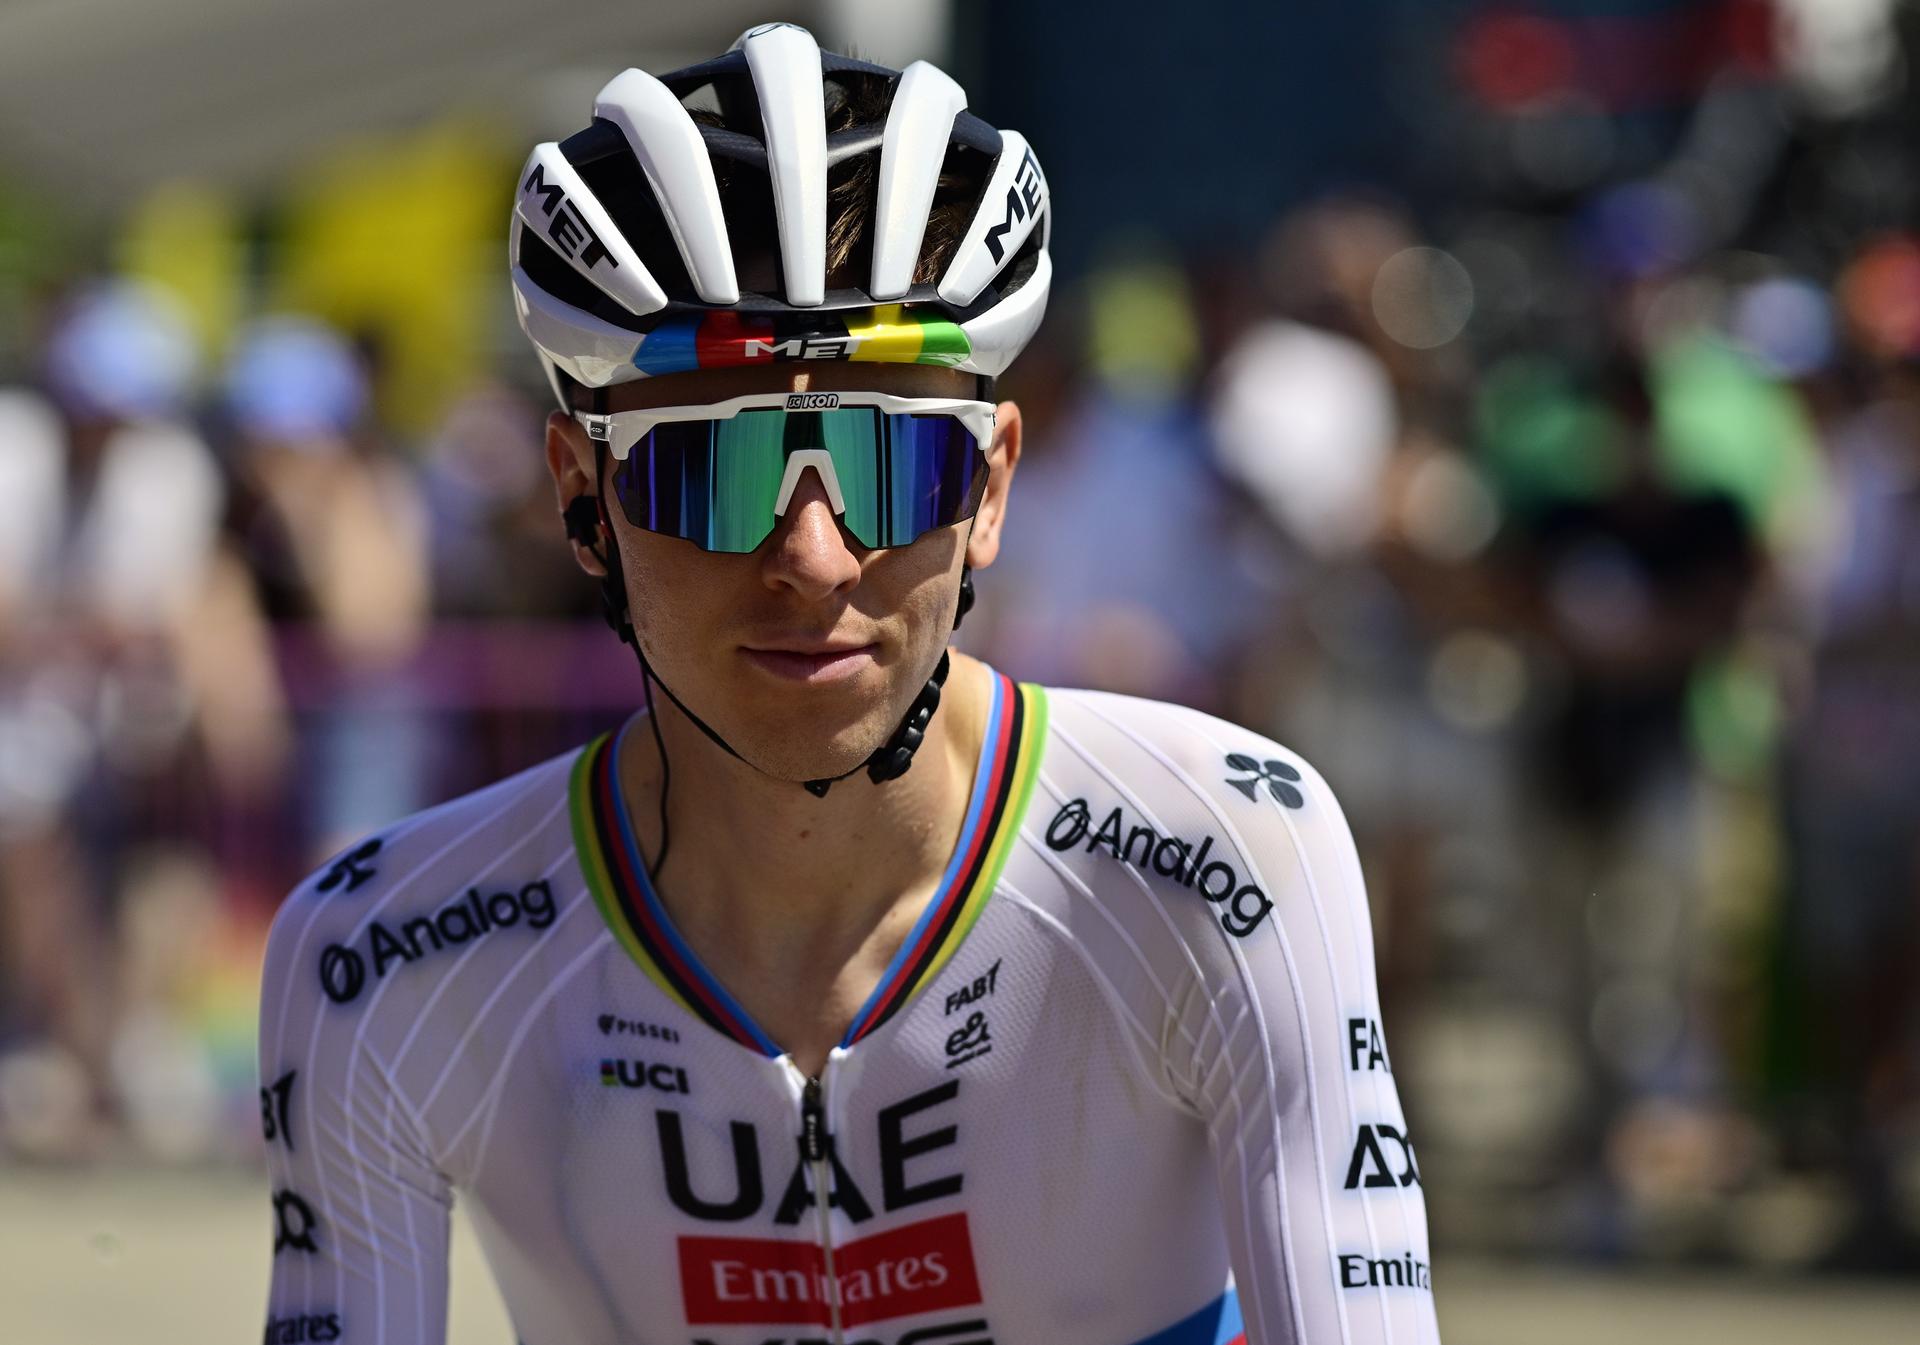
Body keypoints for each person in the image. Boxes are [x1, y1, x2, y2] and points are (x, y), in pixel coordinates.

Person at [257, 25, 1439, 1345]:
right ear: (583, 500)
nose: (815, 560)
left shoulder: (1223, 860)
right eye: (708, 470)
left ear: (990, 489)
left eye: (895, 464)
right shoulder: (384, 960)